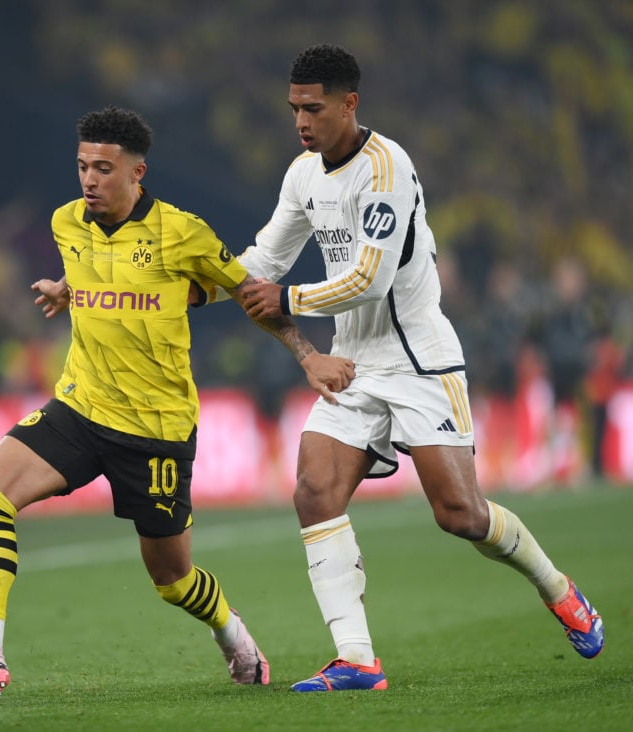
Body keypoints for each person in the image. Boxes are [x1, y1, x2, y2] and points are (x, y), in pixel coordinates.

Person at [0, 106, 353, 699]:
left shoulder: (183, 233)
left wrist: (307, 355)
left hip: (156, 430)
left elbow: (247, 293)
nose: (89, 180)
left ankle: (232, 632)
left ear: (137, 172)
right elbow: (97, 270)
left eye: (102, 169)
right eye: (82, 167)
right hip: (81, 407)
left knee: (171, 578)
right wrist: (70, 289)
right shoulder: (67, 222)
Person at [235, 44, 604, 691]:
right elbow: (263, 258)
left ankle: (557, 587)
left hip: (418, 361)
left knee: (459, 514)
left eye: (313, 108)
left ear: (350, 103)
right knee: (313, 490)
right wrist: (196, 281)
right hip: (352, 364)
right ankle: (357, 659)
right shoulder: (302, 175)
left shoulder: (388, 169)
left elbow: (371, 280)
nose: (300, 120)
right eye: (294, 107)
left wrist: (289, 298)